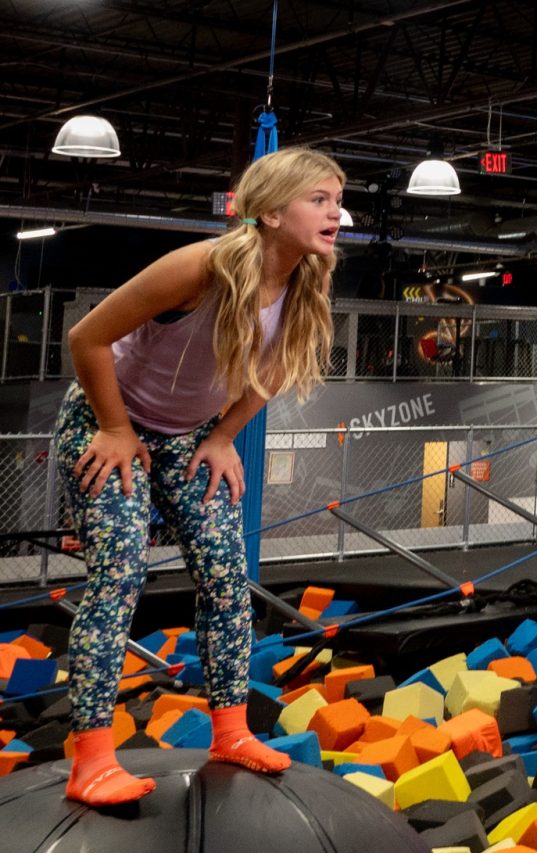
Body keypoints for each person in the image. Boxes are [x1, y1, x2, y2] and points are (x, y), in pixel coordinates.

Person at [54, 147, 345, 806]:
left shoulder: (307, 282)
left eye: (337, 199)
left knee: (224, 574)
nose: (337, 214)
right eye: (319, 200)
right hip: (106, 423)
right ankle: (93, 758)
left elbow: (275, 368)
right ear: (269, 212)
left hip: (185, 438)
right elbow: (86, 339)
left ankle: (231, 730)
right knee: (120, 570)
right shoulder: (199, 268)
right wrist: (118, 429)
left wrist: (220, 436)